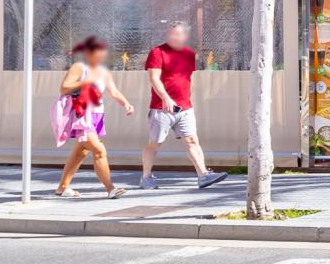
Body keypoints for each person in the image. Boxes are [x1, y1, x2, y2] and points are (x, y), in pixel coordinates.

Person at [139, 23, 227, 190]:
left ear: (185, 36)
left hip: (185, 108)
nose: (174, 37)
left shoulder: (189, 54)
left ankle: (203, 175)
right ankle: (146, 177)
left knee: (192, 140)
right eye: (171, 34)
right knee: (155, 143)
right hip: (161, 108)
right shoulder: (157, 52)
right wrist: (165, 97)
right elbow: (153, 78)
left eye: (178, 34)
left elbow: (187, 78)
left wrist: (187, 98)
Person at [53, 36, 133, 199]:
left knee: (80, 152)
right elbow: (64, 88)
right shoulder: (79, 67)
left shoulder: (103, 72)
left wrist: (126, 104)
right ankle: (110, 188)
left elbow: (113, 92)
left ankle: (62, 188)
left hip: (97, 116)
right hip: (83, 115)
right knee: (99, 150)